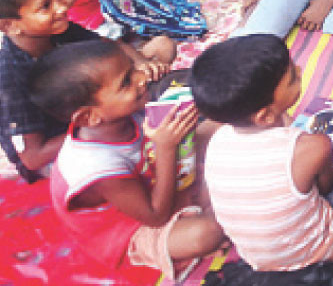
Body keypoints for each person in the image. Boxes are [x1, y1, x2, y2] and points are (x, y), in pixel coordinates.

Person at [190, 34, 333, 274]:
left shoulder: (217, 142)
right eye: (293, 77)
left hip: (261, 263)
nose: (301, 70)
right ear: (264, 116)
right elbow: (325, 187)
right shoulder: (313, 146)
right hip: (323, 252)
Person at [32, 40, 223, 279]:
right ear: (89, 117)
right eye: (126, 82)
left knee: (221, 125)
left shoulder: (122, 114)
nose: (141, 78)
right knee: (205, 233)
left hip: (151, 179)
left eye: (133, 68)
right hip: (132, 226)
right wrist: (166, 149)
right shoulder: (98, 168)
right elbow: (155, 216)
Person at [0, 0, 173, 182]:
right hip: (63, 151)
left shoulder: (61, 31)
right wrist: (104, 120)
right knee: (155, 133)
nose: (62, 8)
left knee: (162, 46)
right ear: (10, 26)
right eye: (46, 6)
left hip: (101, 109)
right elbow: (33, 158)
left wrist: (140, 63)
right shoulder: (9, 80)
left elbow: (109, 46)